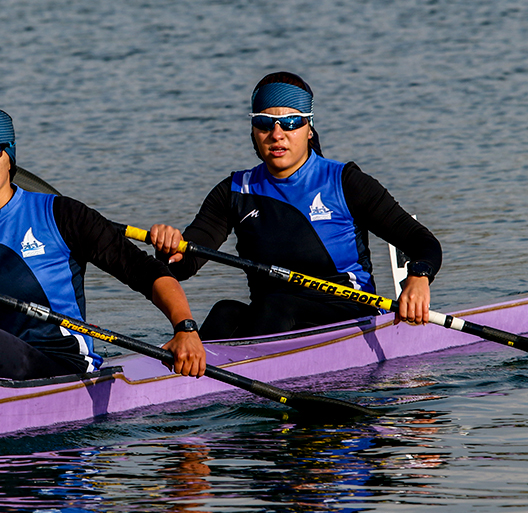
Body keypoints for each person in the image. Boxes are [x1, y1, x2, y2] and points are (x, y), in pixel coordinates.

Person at [0, 104, 206, 380]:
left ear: (9, 157)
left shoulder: (61, 215)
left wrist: (185, 329)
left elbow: (146, 272)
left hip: (61, 365)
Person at [149, 71, 442, 340]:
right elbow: (184, 265)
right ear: (253, 131)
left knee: (277, 306)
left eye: (290, 122)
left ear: (309, 128)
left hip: (349, 315)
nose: (277, 134)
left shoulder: (345, 182)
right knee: (225, 311)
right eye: (265, 123)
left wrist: (418, 277)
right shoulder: (234, 191)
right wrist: (168, 248)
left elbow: (422, 242)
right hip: (273, 319)